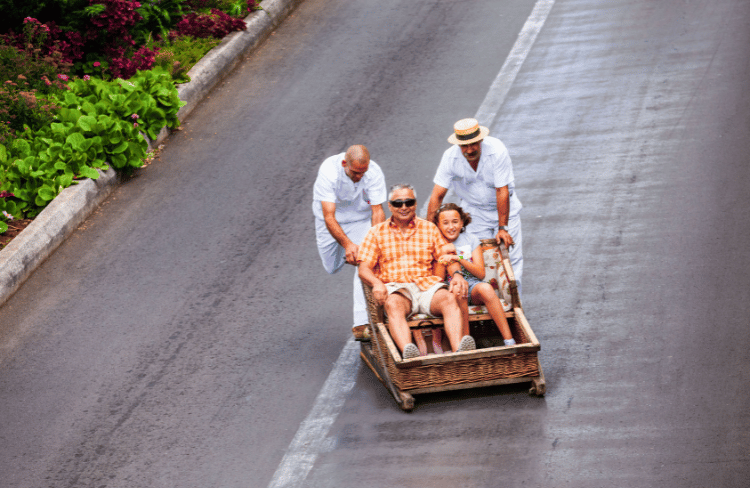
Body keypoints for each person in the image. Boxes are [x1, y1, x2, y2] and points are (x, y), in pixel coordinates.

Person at [358, 184, 476, 359]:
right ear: (390, 206)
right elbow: (364, 268)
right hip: (397, 289)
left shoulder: (429, 228)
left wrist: (457, 274)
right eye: (398, 203)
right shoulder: (376, 233)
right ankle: (409, 354)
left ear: (415, 204)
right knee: (393, 304)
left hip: (426, 286)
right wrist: (376, 283)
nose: (404, 207)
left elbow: (446, 256)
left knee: (449, 299)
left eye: (409, 202)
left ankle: (459, 351)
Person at [426, 118, 524, 296]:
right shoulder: (450, 157)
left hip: (504, 209)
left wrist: (503, 228)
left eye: (473, 144)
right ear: (458, 145)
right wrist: (430, 231)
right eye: (464, 146)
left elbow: (501, 190)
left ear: (480, 140)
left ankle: (515, 310)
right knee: (480, 260)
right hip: (474, 213)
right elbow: (437, 195)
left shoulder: (497, 150)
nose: (469, 150)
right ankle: (487, 303)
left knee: (511, 260)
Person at [313, 145, 386, 333]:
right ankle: (350, 255)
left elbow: (377, 211)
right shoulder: (329, 171)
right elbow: (329, 216)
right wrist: (347, 244)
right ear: (345, 163)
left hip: (360, 220)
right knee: (331, 267)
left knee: (366, 261)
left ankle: (361, 323)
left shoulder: (374, 172)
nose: (360, 177)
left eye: (364, 172)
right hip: (331, 220)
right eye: (355, 173)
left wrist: (375, 245)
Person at [433, 203, 516, 347]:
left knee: (486, 288)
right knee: (459, 290)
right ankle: (466, 341)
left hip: (472, 284)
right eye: (445, 223)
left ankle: (509, 340)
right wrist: (443, 257)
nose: (451, 227)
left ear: (462, 222)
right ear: (438, 225)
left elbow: (480, 272)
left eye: (455, 222)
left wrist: (459, 259)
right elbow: (437, 279)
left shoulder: (470, 239)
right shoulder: (437, 242)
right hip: (449, 288)